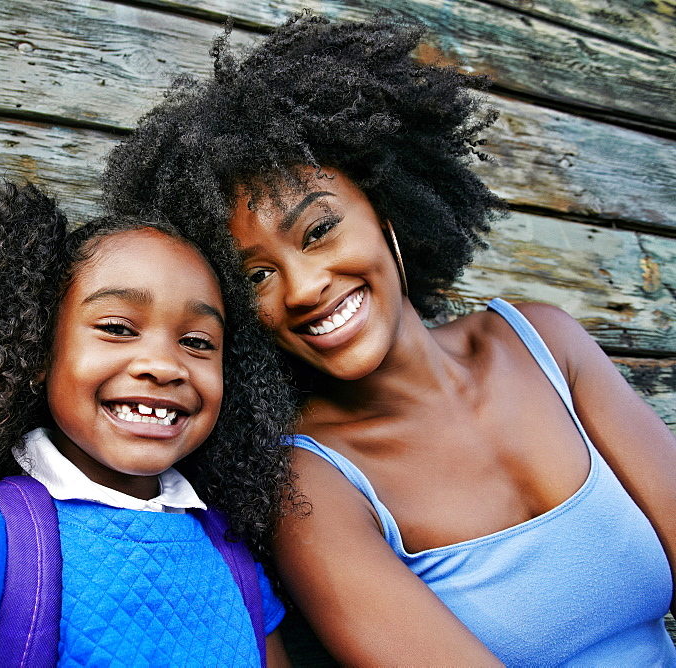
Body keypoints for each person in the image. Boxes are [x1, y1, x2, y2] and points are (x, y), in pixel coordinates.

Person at [102, 12, 676, 666]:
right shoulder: (308, 485)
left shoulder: (542, 340)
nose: (303, 286)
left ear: (386, 212)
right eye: (256, 274)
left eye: (318, 231)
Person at [0, 180, 296, 666]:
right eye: (117, 328)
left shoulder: (233, 560)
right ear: (40, 351)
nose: (165, 365)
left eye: (197, 341)